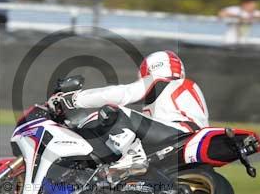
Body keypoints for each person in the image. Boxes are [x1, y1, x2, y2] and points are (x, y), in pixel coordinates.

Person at [48, 51, 208, 177]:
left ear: (151, 68)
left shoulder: (162, 81)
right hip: (182, 140)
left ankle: (133, 158)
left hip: (178, 133)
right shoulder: (177, 90)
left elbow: (122, 93)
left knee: (114, 111)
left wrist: (73, 99)